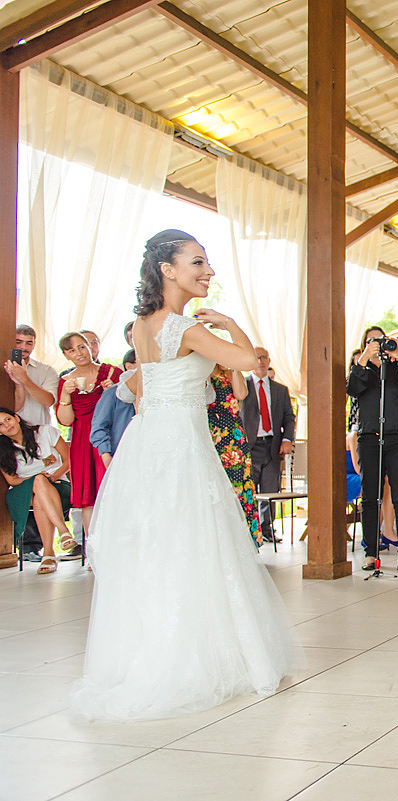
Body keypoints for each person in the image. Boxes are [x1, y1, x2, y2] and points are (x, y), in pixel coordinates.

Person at [73, 229, 301, 721]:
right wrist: (230, 323)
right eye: (197, 262)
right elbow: (249, 362)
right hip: (180, 445)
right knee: (199, 541)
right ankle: (197, 658)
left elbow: (140, 386)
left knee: (158, 545)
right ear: (168, 270)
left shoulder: (141, 323)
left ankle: (150, 653)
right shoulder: (183, 328)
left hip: (147, 442)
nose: (208, 271)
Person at [348, 331, 398, 571]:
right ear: (365, 345)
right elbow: (352, 389)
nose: (379, 345)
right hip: (370, 438)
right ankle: (370, 552)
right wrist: (363, 359)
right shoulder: (361, 370)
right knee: (370, 496)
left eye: (382, 340)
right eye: (372, 341)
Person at [56, 331, 122, 547]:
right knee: (88, 496)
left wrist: (114, 393)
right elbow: (65, 421)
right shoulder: (65, 381)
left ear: (91, 347)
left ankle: (119, 545)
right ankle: (93, 548)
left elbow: (131, 406)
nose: (79, 353)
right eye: (71, 350)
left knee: (115, 489)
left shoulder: (112, 373)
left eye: (81, 347)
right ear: (67, 356)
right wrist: (65, 396)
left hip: (112, 435)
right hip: (82, 440)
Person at [0, 409, 73, 574]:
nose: (6, 425)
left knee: (41, 493)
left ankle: (49, 554)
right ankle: (63, 532)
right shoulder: (3, 451)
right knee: (38, 481)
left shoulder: (45, 432)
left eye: (8, 419)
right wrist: (34, 480)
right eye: (1, 425)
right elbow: (12, 480)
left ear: (16, 418)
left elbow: (69, 458)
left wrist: (53, 476)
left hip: (57, 484)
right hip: (23, 492)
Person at [241, 348, 295, 544]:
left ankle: (266, 528)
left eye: (263, 357)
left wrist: (287, 439)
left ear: (269, 360)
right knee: (249, 489)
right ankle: (248, 529)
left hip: (273, 445)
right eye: (256, 358)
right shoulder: (242, 386)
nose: (260, 361)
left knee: (270, 489)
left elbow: (289, 417)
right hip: (249, 446)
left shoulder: (280, 390)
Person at [208, 363, 260, 546]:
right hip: (208, 432)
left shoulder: (229, 372)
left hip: (232, 435)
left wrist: (235, 366)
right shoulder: (200, 372)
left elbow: (241, 394)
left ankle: (244, 541)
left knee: (239, 483)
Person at [89, 349, 138, 466]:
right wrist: (105, 454)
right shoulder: (112, 393)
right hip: (121, 452)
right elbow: (98, 426)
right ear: (129, 366)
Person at [6, 324, 58, 427]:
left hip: (39, 432)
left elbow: (48, 401)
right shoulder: (4, 368)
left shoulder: (47, 370)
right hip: (7, 433)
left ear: (34, 345)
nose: (23, 347)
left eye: (28, 343)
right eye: (18, 342)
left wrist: (24, 378)